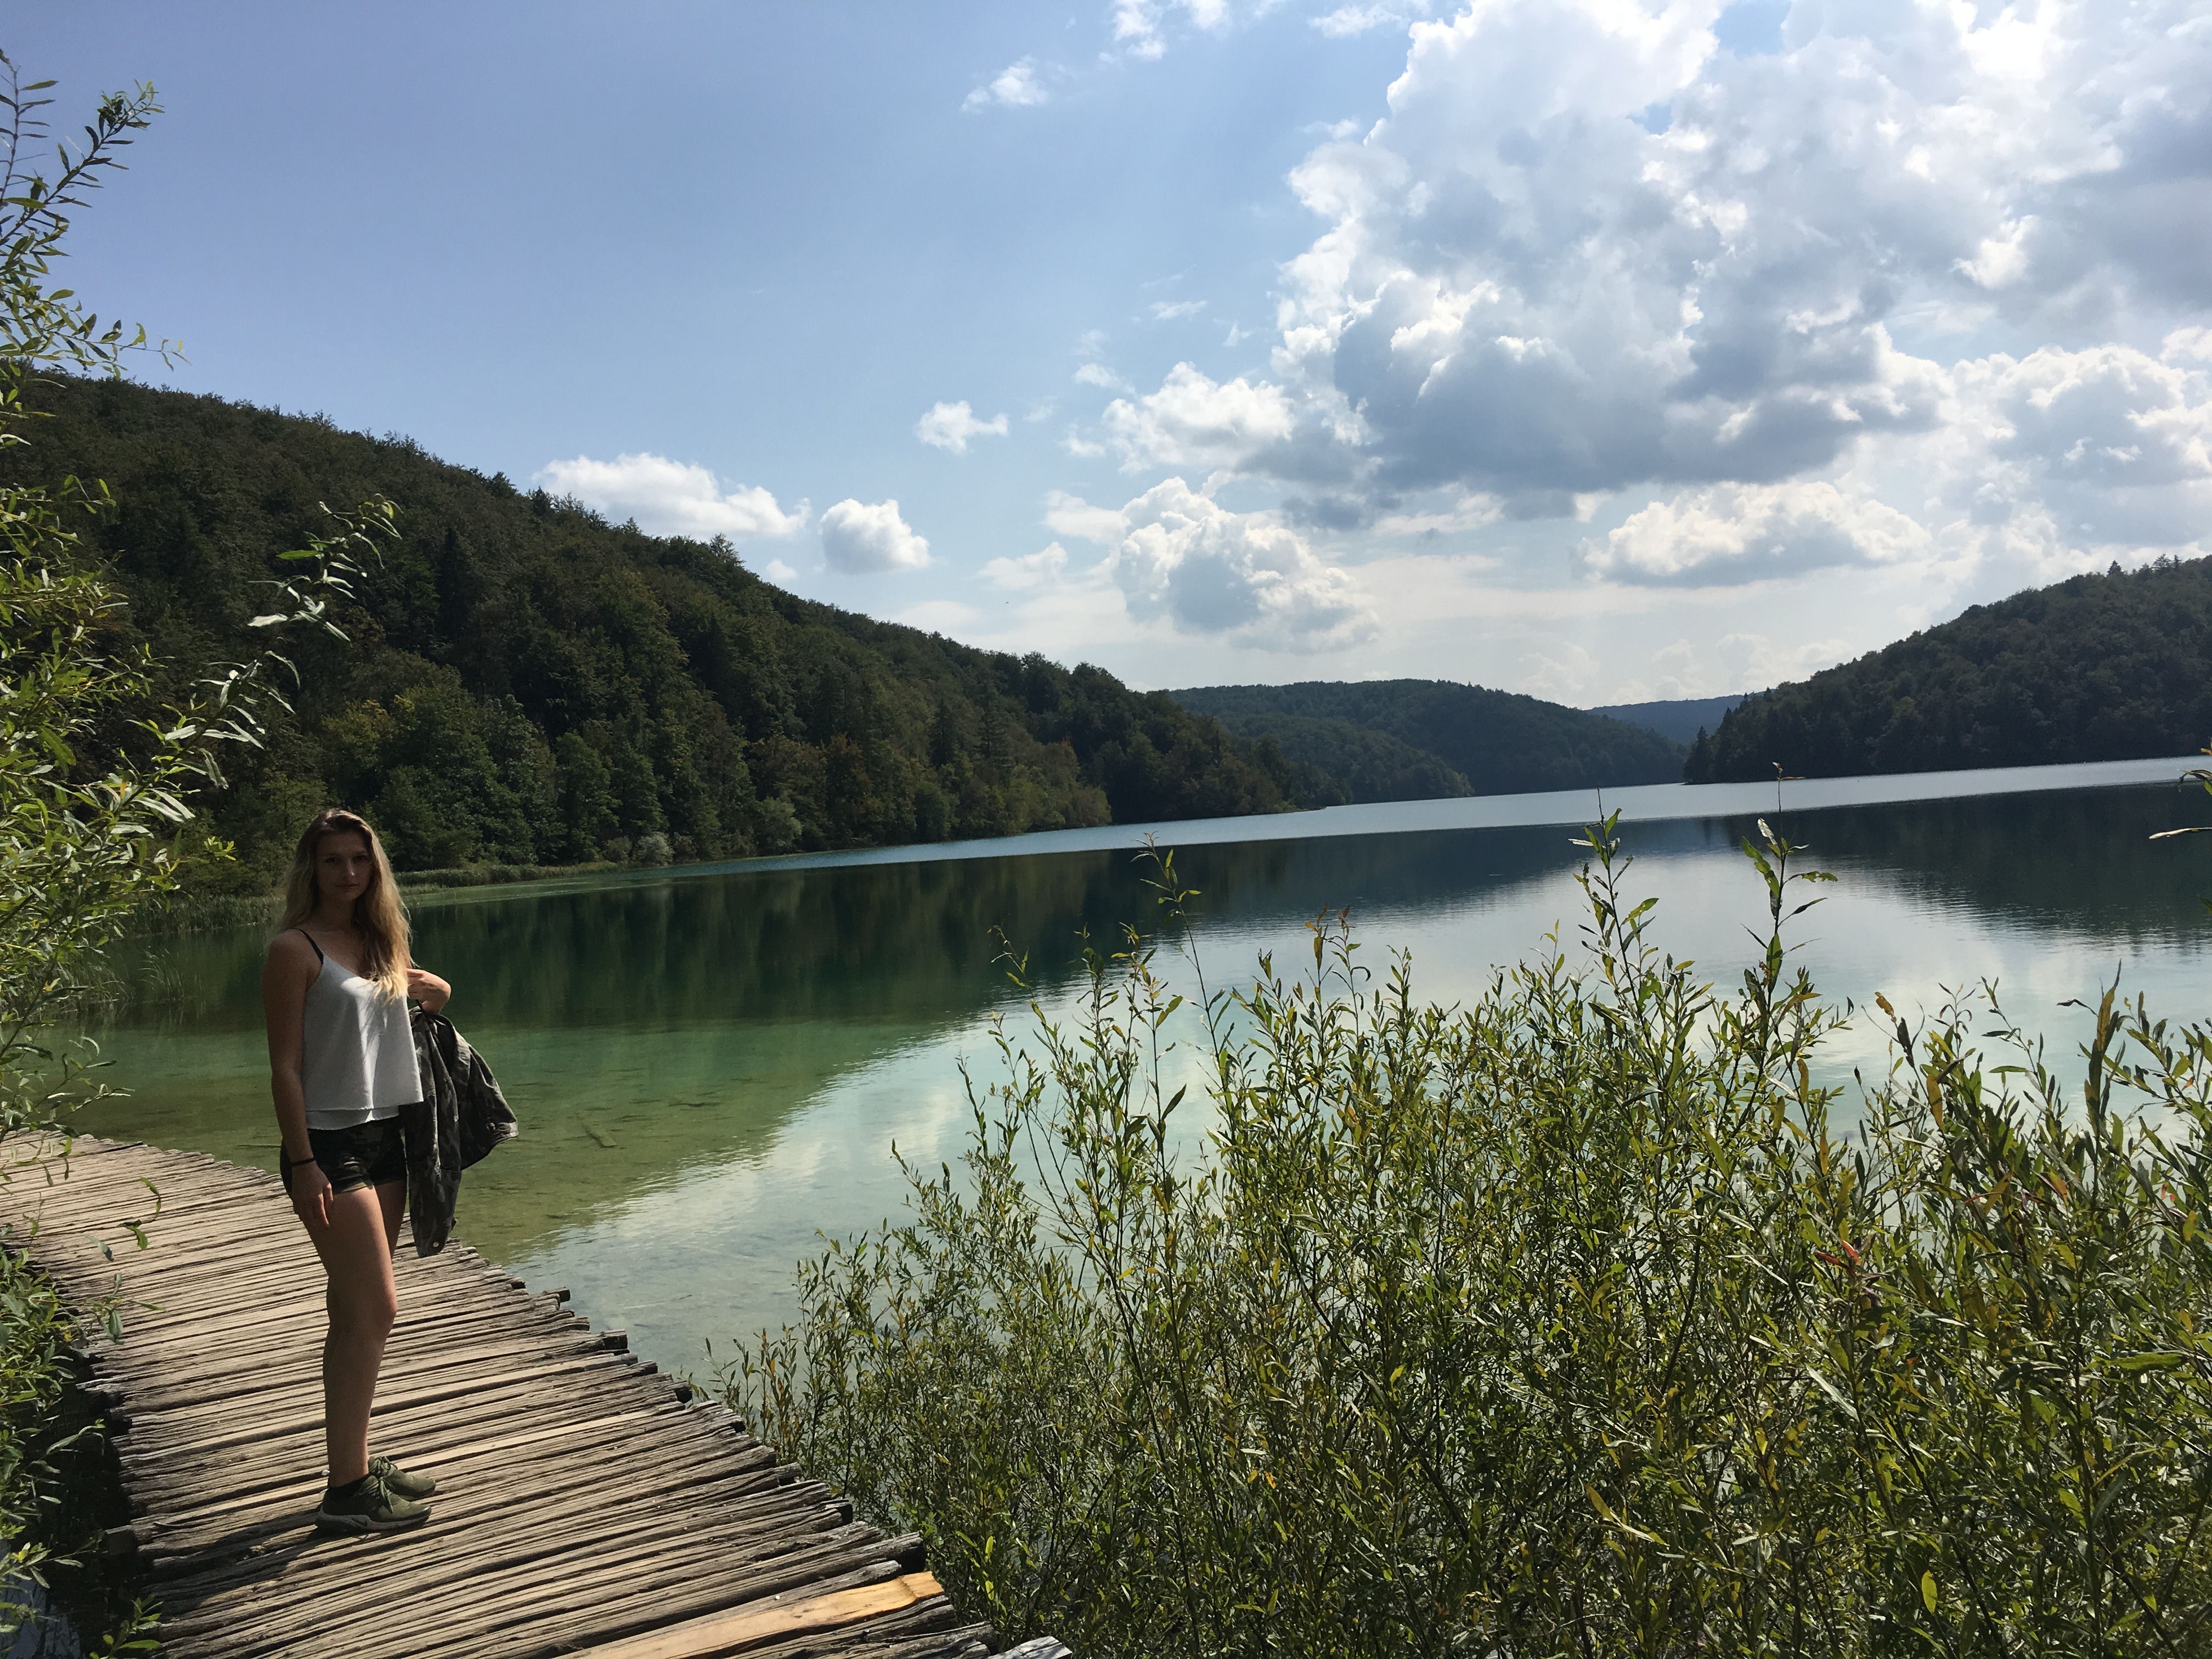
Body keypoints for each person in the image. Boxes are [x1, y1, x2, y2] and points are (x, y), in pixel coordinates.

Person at [262, 806, 448, 1533]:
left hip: (386, 1137)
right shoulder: (295, 949)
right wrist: (303, 1162)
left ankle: (355, 1462)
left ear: (375, 868)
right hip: (327, 1144)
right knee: (378, 1309)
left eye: (360, 859)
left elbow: (407, 1008)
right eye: (333, 860)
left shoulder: (380, 940)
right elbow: (284, 1067)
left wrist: (436, 994)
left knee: (351, 1311)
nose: (348, 872)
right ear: (312, 868)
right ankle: (344, 1493)